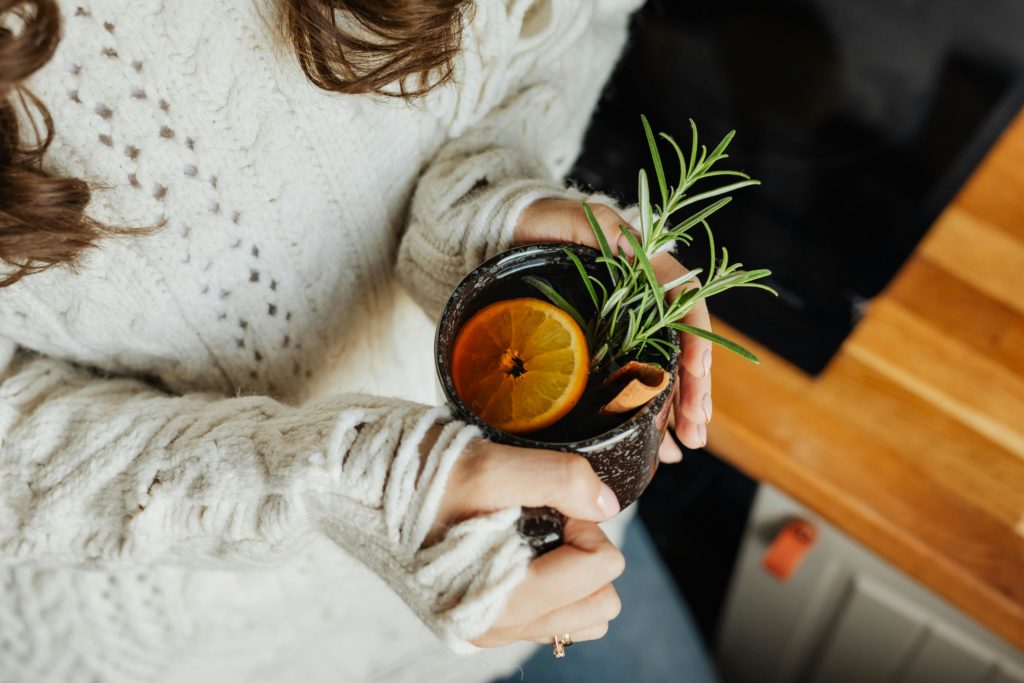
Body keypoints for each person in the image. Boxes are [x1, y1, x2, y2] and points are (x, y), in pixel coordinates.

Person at [0, 0, 717, 681]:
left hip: (539, 537)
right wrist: (333, 474)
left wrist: (489, 208)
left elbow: (572, 24)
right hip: (194, 638)